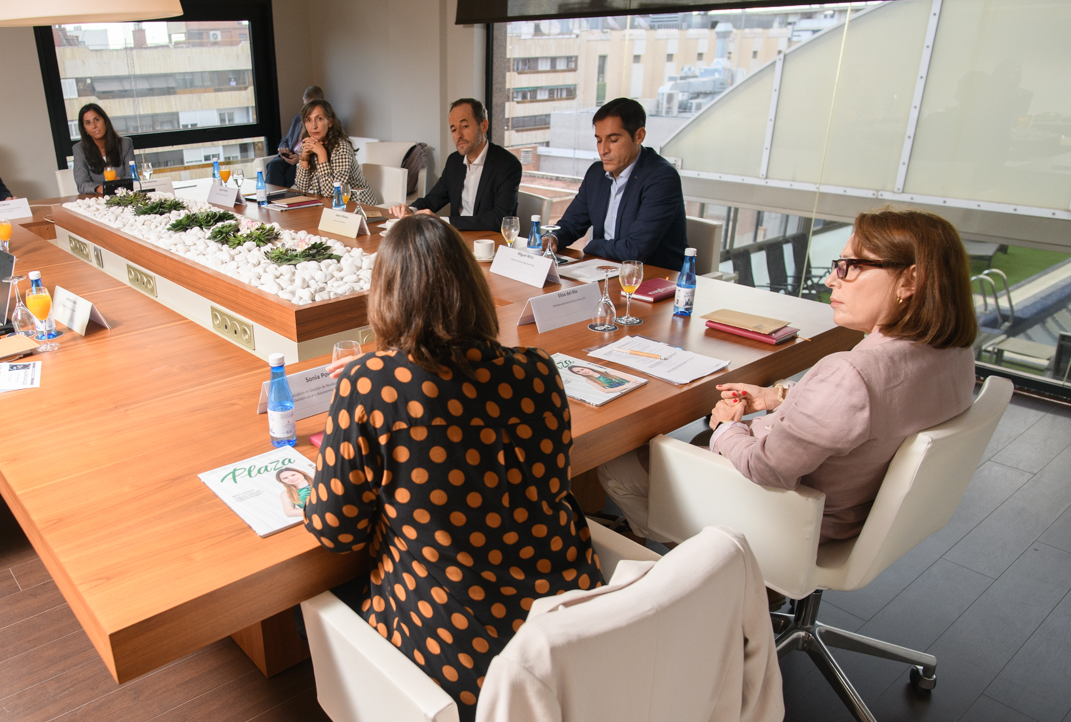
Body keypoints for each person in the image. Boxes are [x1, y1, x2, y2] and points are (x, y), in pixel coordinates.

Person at [303, 215, 603, 722]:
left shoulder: (371, 385)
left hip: (460, 661)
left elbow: (335, 529)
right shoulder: (537, 370)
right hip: (568, 633)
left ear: (386, 296)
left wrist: (367, 386)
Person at [598, 208, 978, 544]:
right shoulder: (955, 354)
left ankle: (701, 572)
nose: (833, 280)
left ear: (910, 281)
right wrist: (776, 398)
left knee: (615, 456)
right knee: (695, 438)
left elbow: (767, 468)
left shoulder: (853, 374)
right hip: (851, 510)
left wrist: (728, 428)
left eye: (851, 266)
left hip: (787, 523)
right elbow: (867, 412)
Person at [552, 98, 688, 270]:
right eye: (599, 140)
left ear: (639, 136)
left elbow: (635, 250)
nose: (603, 150)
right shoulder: (596, 173)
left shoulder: (662, 178)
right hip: (604, 270)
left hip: (650, 280)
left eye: (613, 140)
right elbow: (571, 224)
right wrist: (553, 239)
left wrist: (592, 246)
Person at [389, 98, 521, 232]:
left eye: (464, 126)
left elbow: (500, 219)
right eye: (453, 129)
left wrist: (443, 222)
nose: (458, 135)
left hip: (490, 242)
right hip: (457, 239)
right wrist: (410, 210)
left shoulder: (508, 164)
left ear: (484, 126)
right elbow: (432, 200)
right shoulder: (454, 162)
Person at [292, 99, 378, 205]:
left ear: (330, 122)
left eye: (319, 119)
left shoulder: (341, 148)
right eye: (308, 120)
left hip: (358, 206)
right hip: (329, 207)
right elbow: (302, 188)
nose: (313, 126)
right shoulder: (309, 144)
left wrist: (322, 155)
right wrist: (304, 159)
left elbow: (332, 194)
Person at [71, 103, 136, 195]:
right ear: (84, 129)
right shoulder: (79, 150)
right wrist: (100, 188)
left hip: (124, 197)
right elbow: (82, 184)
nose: (94, 126)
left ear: (105, 121)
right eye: (88, 123)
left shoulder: (125, 144)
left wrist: (120, 183)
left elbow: (133, 177)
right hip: (97, 200)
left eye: (96, 120)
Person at [266, 85, 323, 187]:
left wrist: (301, 158)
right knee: (273, 165)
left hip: (303, 159)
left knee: (289, 175)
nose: (306, 109)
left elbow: (322, 150)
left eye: (309, 105)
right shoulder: (298, 119)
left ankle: (284, 200)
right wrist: (283, 148)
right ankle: (271, 199)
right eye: (305, 104)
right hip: (290, 154)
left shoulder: (323, 124)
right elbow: (286, 139)